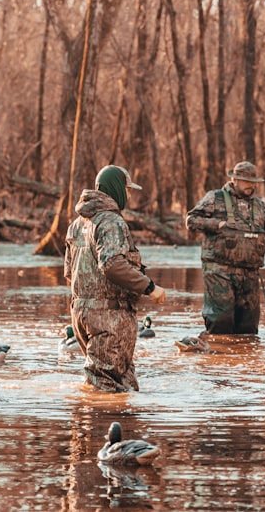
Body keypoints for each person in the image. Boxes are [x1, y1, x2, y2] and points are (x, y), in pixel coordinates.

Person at [63, 165, 167, 392]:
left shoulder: (76, 225)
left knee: (123, 383)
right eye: (127, 190)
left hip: (81, 313)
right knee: (104, 387)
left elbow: (69, 274)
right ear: (117, 189)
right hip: (109, 317)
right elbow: (112, 264)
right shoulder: (110, 221)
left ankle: (119, 424)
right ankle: (97, 426)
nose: (129, 195)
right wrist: (149, 287)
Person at [185, 161, 265, 335]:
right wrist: (217, 224)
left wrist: (264, 236)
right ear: (234, 179)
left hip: (250, 272)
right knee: (221, 320)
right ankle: (218, 355)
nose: (251, 185)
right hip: (219, 270)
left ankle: (244, 358)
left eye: (253, 182)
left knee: (248, 325)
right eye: (246, 181)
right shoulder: (215, 198)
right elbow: (191, 221)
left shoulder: (261, 206)